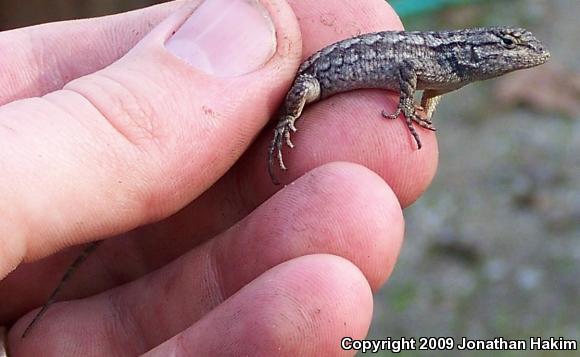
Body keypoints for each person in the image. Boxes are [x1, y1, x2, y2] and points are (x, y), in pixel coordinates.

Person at [0, 0, 437, 355]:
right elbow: (404, 75)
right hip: (309, 81)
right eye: (509, 43)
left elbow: (423, 82)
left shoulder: (441, 62)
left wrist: (421, 106)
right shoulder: (435, 56)